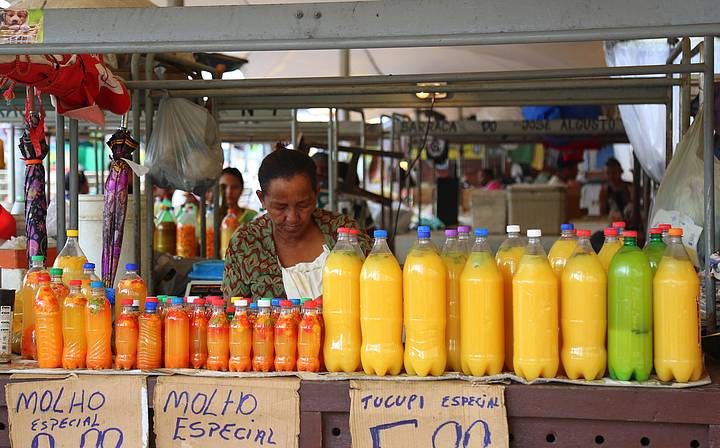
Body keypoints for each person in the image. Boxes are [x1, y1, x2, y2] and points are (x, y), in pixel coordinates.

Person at [222, 148, 371, 299]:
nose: (292, 218)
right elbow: (233, 314)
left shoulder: (345, 231)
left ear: (316, 194)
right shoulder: (246, 243)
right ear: (262, 200)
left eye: (303, 205)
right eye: (281, 207)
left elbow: (378, 290)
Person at [599, 157, 632, 221]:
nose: (611, 176)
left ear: (621, 171)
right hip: (612, 225)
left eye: (614, 173)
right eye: (608, 173)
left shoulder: (629, 188)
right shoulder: (604, 191)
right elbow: (602, 214)